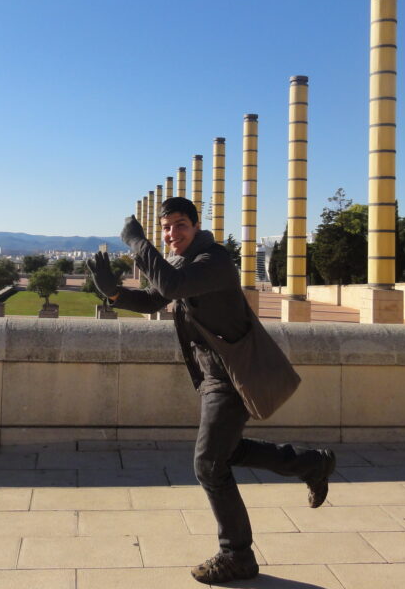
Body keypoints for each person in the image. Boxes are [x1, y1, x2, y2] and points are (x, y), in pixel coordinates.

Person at [87, 197, 335, 585]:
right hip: (213, 375)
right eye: (166, 228)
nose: (172, 234)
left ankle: (237, 556)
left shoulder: (215, 261)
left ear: (197, 226)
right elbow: (156, 297)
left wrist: (137, 242)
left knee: (207, 465)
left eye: (179, 225)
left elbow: (171, 285)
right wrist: (115, 294)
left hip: (233, 376)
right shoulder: (186, 264)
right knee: (227, 452)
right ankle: (311, 464)